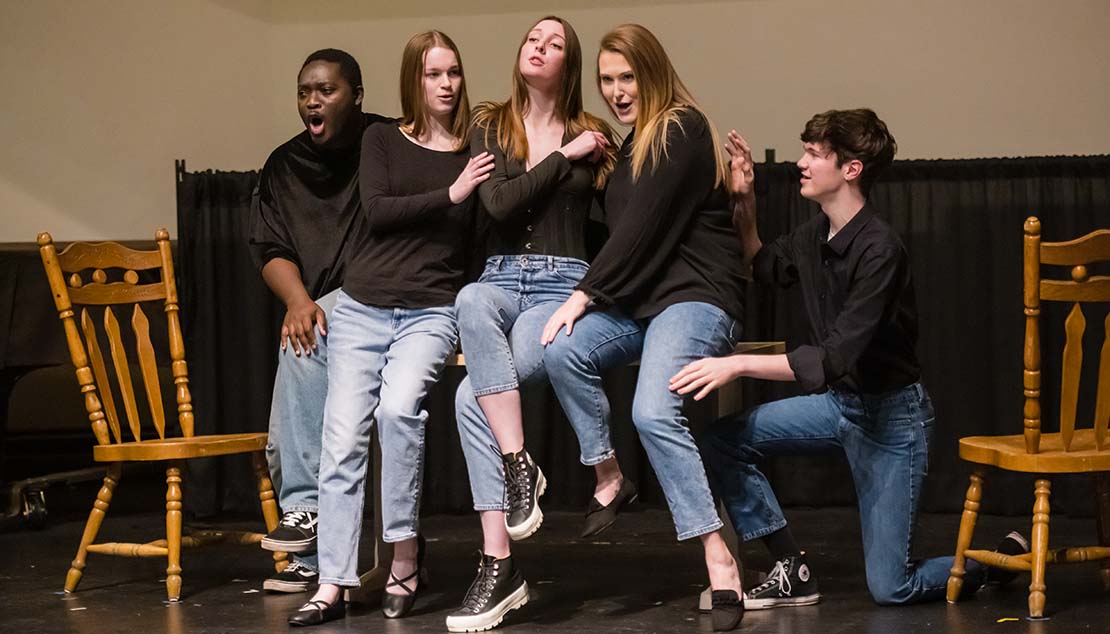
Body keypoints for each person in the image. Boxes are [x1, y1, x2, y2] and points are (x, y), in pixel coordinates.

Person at [678, 108, 1028, 609]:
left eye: (814, 155)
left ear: (851, 169)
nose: (801, 163)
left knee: (891, 587)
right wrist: (745, 196)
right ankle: (790, 568)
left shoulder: (881, 250)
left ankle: (994, 563)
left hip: (892, 423)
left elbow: (833, 359)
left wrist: (735, 364)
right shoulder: (810, 235)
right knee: (722, 442)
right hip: (839, 408)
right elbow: (760, 264)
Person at [538, 23, 747, 632]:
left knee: (653, 412)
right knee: (562, 350)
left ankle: (718, 558)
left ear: (652, 72)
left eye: (627, 77)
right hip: (646, 307)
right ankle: (610, 475)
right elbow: (621, 232)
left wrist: (583, 294)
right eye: (606, 80)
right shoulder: (629, 149)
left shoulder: (681, 127)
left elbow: (643, 232)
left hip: (696, 299)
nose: (617, 91)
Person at [288, 31, 494, 627]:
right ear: (415, 80)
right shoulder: (382, 138)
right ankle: (332, 582)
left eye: (453, 72)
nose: (447, 84)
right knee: (343, 436)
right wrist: (450, 193)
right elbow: (376, 210)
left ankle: (404, 555)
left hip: (430, 312)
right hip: (363, 306)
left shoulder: (476, 152)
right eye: (433, 74)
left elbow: (481, 234)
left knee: (399, 412)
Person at [446, 16, 627, 634]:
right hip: (500, 276)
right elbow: (496, 202)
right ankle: (520, 463)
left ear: (568, 64)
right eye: (532, 39)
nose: (539, 47)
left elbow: (622, 213)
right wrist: (562, 158)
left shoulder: (593, 132)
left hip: (561, 283)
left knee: (471, 398)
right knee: (470, 299)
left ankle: (498, 564)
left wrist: (597, 290)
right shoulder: (490, 123)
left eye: (554, 44)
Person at [249, 48, 390, 593]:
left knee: (310, 332)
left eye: (325, 90)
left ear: (356, 95)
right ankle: (316, 545)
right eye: (304, 90)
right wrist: (297, 301)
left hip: (380, 293)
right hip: (325, 305)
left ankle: (305, 510)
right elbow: (269, 246)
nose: (312, 99)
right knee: (304, 331)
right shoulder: (283, 165)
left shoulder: (385, 142)